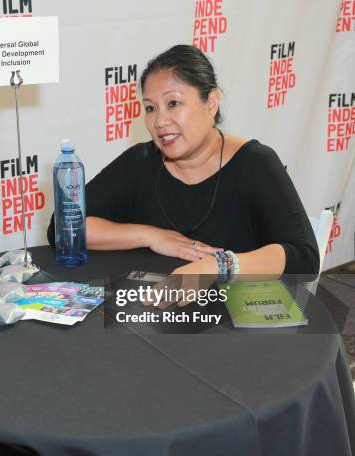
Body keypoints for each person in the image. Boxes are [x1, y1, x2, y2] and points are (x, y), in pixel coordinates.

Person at [48, 45, 319, 293]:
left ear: (211, 103)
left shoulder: (255, 162)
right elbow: (63, 229)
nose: (159, 121)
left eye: (173, 103)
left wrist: (216, 266)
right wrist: (150, 235)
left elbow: (304, 257)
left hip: (234, 324)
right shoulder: (140, 161)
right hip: (156, 318)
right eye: (151, 108)